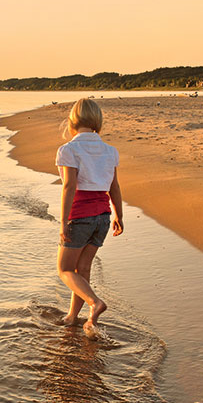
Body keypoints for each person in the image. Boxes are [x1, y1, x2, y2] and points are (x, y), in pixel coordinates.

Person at [54, 99, 124, 339]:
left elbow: (69, 187)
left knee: (64, 269)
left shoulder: (68, 150)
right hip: (102, 217)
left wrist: (63, 222)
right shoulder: (110, 151)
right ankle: (73, 317)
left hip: (80, 216)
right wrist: (118, 215)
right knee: (82, 269)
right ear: (97, 120)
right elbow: (114, 186)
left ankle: (94, 303)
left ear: (73, 120)